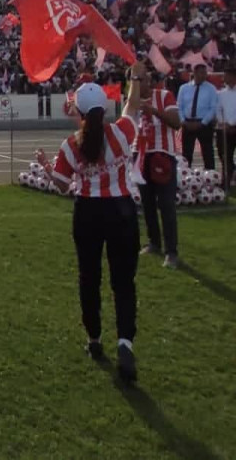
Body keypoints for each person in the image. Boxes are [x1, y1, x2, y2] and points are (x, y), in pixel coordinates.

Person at [48, 69, 145, 385]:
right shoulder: (121, 133)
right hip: (121, 210)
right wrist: (136, 78)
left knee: (89, 277)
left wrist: (47, 167)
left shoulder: (71, 145)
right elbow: (133, 105)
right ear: (104, 108)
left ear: (77, 111)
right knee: (124, 281)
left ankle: (94, 338)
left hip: (88, 212)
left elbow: (62, 186)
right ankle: (125, 342)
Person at [131, 65, 182, 268]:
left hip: (163, 154)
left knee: (167, 205)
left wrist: (154, 112)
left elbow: (176, 123)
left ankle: (172, 251)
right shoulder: (131, 102)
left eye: (140, 79)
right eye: (134, 80)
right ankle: (154, 242)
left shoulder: (164, 96)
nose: (137, 84)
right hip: (141, 155)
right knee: (147, 203)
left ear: (149, 81)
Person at [177, 64, 218, 170]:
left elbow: (213, 108)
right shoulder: (184, 88)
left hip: (204, 124)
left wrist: (203, 123)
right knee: (186, 154)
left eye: (205, 73)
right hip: (187, 123)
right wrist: (183, 121)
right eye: (201, 72)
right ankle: (186, 178)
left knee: (208, 153)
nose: (204, 75)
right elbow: (179, 106)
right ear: (194, 73)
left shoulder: (211, 89)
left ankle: (210, 179)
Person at [217, 65, 236, 190]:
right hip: (224, 129)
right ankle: (226, 182)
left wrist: (233, 124)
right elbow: (218, 110)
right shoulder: (220, 94)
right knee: (224, 156)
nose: (224, 78)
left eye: (227, 75)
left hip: (235, 127)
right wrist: (223, 123)